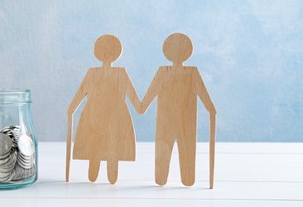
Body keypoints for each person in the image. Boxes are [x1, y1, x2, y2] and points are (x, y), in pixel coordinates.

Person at [140, 33, 216, 187]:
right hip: (175, 122)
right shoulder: (186, 73)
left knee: (172, 152)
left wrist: (140, 106)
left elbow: (146, 100)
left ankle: (170, 178)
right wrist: (211, 110)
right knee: (183, 152)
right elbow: (207, 101)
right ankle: (179, 179)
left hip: (175, 122)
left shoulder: (170, 72)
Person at [67, 34, 141, 184]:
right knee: (107, 143)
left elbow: (79, 95)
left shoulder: (95, 73)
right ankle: (107, 175)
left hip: (98, 114)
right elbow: (134, 99)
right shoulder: (118, 73)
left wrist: (71, 108)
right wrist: (142, 106)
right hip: (111, 115)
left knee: (98, 142)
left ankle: (96, 174)